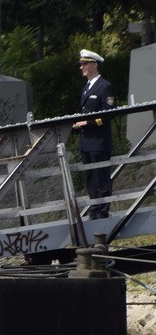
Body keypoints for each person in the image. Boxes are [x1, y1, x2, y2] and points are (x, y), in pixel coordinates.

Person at [72, 49, 115, 220]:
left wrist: (87, 123)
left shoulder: (104, 86)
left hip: (99, 141)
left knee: (101, 176)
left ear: (94, 64)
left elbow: (108, 113)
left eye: (85, 64)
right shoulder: (87, 87)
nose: (81, 67)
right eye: (81, 64)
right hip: (87, 141)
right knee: (90, 178)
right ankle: (94, 210)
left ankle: (101, 212)